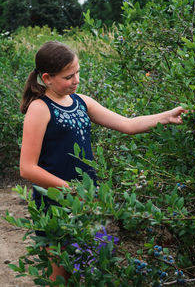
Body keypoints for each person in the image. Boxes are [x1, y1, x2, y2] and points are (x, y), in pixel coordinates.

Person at [20, 41, 186, 285]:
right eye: (69, 76)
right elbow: (27, 168)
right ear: (47, 78)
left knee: (93, 268)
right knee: (60, 276)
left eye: (78, 72)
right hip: (55, 204)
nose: (76, 79)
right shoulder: (40, 108)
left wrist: (166, 116)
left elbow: (128, 125)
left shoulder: (81, 102)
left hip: (88, 201)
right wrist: (71, 190)